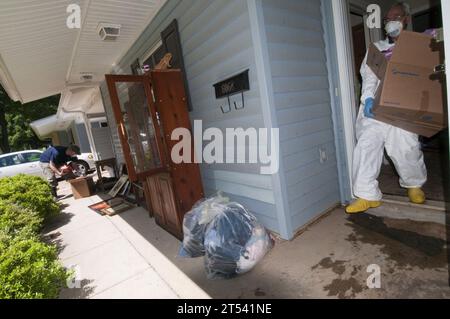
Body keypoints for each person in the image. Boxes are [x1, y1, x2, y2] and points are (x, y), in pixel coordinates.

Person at [346, 2, 427, 214]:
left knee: (405, 146)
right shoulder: (376, 49)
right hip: (377, 106)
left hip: (404, 106)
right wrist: (368, 99)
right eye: (387, 19)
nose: (391, 22)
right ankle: (366, 194)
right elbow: (369, 76)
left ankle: (414, 184)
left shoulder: (418, 47)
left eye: (396, 17)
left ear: (406, 19)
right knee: (366, 144)